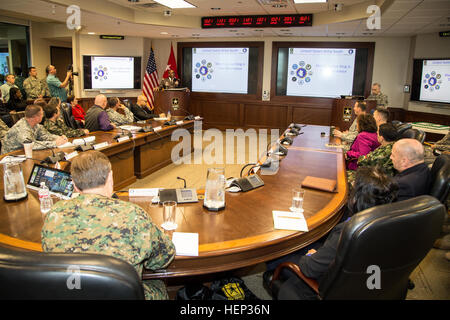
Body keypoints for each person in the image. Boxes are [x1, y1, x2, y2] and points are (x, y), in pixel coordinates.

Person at [41, 150, 176, 300]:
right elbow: (163, 259)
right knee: (158, 283)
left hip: (72, 291)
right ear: (110, 177)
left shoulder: (54, 214)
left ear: (74, 185)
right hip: (120, 294)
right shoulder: (133, 214)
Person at [269, 167, 398, 300]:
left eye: (353, 188)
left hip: (324, 284)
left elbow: (309, 268)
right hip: (363, 280)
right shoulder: (390, 222)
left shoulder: (348, 232)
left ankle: (272, 278)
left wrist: (311, 255)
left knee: (279, 254)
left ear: (356, 199)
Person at [1, 104, 67, 154]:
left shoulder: (36, 125)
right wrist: (55, 143)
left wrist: (59, 138)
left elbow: (46, 136)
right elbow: (32, 145)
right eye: (41, 114)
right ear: (36, 117)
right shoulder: (22, 129)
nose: (43, 116)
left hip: (24, 153)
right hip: (10, 156)